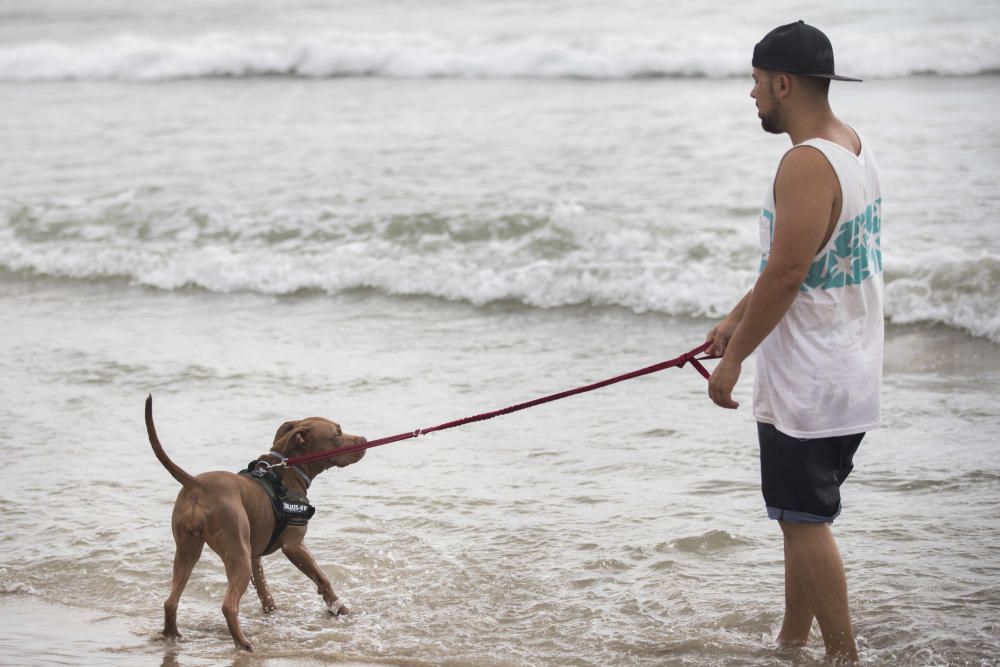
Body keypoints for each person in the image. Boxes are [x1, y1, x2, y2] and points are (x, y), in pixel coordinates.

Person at [705, 21, 883, 662]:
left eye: (756, 83)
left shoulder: (805, 163)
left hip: (810, 381)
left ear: (782, 83)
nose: (752, 96)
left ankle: (842, 655)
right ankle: (792, 642)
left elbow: (784, 275)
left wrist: (735, 360)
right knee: (798, 517)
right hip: (847, 371)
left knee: (805, 523)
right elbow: (801, 262)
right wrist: (733, 320)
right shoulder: (852, 146)